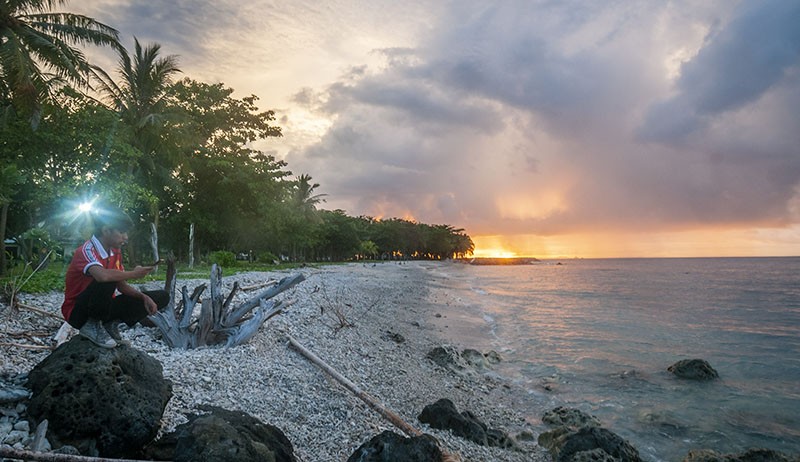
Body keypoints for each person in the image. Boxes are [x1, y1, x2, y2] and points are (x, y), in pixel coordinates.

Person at [61, 206, 169, 348]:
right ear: (106, 230)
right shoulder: (86, 250)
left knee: (162, 296)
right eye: (122, 232)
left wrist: (144, 297)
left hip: (103, 307)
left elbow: (121, 285)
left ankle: (109, 325)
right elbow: (102, 277)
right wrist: (134, 274)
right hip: (78, 312)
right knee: (107, 277)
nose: (126, 237)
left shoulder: (115, 252)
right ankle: (92, 326)